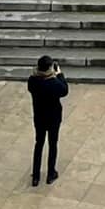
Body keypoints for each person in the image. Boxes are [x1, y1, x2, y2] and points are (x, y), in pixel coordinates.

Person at [27, 53, 69, 186]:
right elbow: (65, 90)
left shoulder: (33, 81)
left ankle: (36, 176)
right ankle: (51, 173)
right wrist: (60, 74)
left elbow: (33, 80)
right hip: (53, 118)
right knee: (52, 144)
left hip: (39, 117)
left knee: (38, 144)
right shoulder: (53, 83)